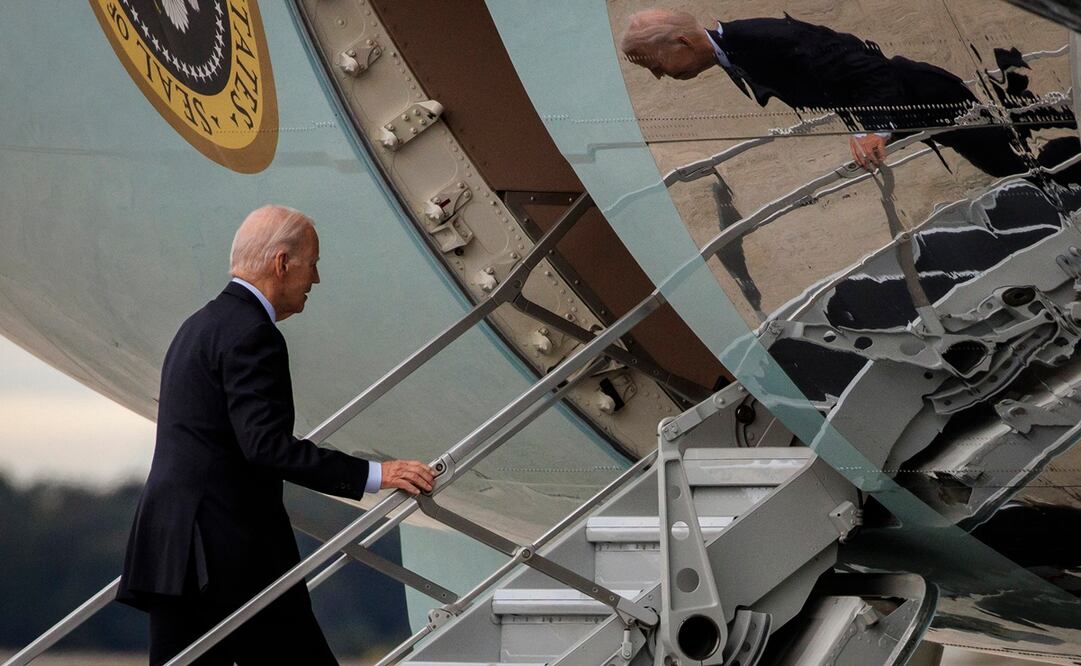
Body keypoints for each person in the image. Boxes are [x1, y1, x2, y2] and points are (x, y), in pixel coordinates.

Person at [117, 205, 436, 665]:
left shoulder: (198, 326)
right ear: (283, 262)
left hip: (173, 546)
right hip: (229, 553)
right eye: (314, 264)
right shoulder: (252, 333)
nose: (316, 280)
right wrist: (375, 474)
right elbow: (265, 447)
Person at [620, 9, 1032, 176]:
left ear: (683, 43)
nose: (659, 77)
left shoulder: (762, 39)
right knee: (1010, 162)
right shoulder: (735, 48)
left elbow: (867, 66)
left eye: (657, 65)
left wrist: (877, 130)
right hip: (919, 109)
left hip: (932, 100)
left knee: (1018, 161)